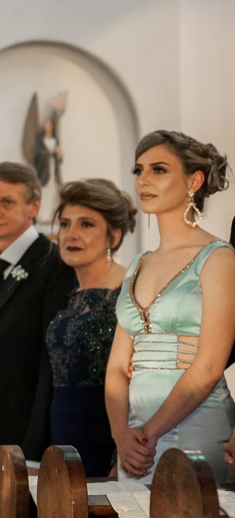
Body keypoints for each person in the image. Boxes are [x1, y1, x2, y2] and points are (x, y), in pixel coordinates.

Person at [107, 130, 235, 483]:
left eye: (159, 170)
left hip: (196, 428)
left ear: (194, 181)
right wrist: (121, 435)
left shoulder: (219, 258)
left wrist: (148, 434)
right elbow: (116, 367)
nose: (143, 180)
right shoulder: (137, 265)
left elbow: (210, 366)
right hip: (133, 439)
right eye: (138, 170)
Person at [0, 161, 75, 476]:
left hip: (23, 442)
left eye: (6, 202)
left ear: (34, 206)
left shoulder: (55, 266)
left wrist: (34, 451)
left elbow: (51, 365)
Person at [45, 178, 134, 477]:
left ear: (113, 236)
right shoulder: (66, 293)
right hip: (62, 439)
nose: (71, 234)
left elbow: (140, 380)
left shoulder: (130, 289)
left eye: (86, 224)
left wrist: (120, 454)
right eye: (65, 224)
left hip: (108, 441)